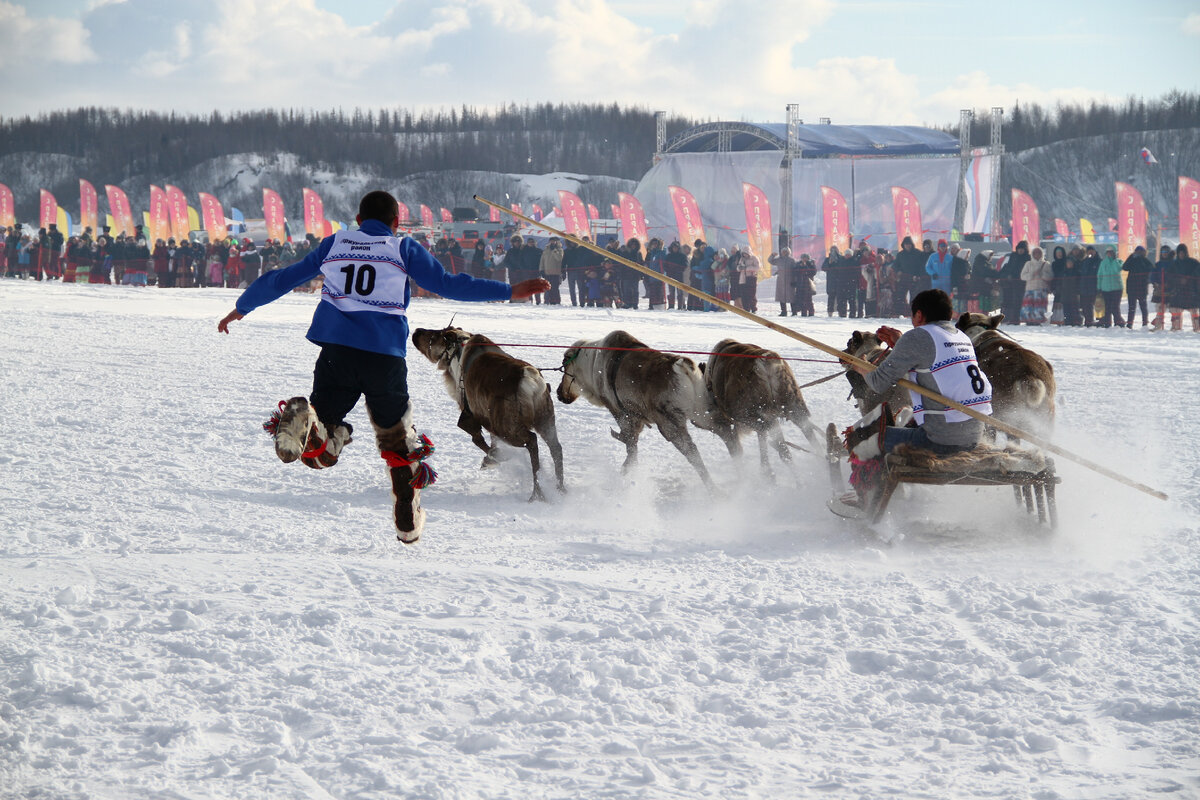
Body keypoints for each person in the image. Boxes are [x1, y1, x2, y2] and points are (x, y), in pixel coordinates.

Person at [217, 190, 549, 544]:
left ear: (358, 222)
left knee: (319, 450)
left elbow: (283, 278)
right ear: (395, 223)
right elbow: (448, 284)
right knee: (398, 444)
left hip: (336, 354)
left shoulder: (335, 243)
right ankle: (407, 512)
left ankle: (314, 425)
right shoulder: (402, 248)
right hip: (384, 358)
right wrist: (508, 291)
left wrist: (243, 307)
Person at [831, 289, 992, 517]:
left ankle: (866, 499)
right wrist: (900, 344)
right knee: (904, 420)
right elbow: (930, 361)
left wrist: (859, 365)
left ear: (918, 315)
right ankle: (886, 490)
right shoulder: (960, 336)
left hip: (940, 438)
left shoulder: (918, 336)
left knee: (862, 436)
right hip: (974, 432)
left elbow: (877, 382)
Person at [1019, 247, 1053, 325]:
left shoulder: (1046, 264)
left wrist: (1042, 275)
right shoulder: (1028, 264)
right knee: (1028, 306)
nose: (1037, 255)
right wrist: (1031, 275)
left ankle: (1038, 320)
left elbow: (1050, 276)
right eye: (1035, 253)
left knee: (1040, 306)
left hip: (1041, 288)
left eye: (1039, 253)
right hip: (1030, 289)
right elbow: (1022, 276)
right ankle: (1028, 320)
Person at [1123, 245, 1154, 327]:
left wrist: (1141, 259)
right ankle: (1130, 323)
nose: (1138, 253)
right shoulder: (1132, 259)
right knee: (1131, 307)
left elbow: (1151, 268)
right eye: (1137, 251)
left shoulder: (1145, 260)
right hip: (1132, 286)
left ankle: (1144, 322)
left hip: (1142, 287)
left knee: (1143, 306)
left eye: (1140, 252)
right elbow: (1125, 267)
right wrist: (1131, 257)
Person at [1095, 246, 1126, 328]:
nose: (1109, 253)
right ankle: (1107, 324)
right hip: (1105, 288)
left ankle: (1118, 323)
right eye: (1108, 252)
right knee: (1107, 307)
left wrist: (1114, 260)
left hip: (1117, 288)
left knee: (1115, 307)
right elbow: (1100, 275)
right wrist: (1099, 287)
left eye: (1111, 251)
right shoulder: (1103, 263)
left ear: (1114, 252)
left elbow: (1117, 269)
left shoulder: (1118, 261)